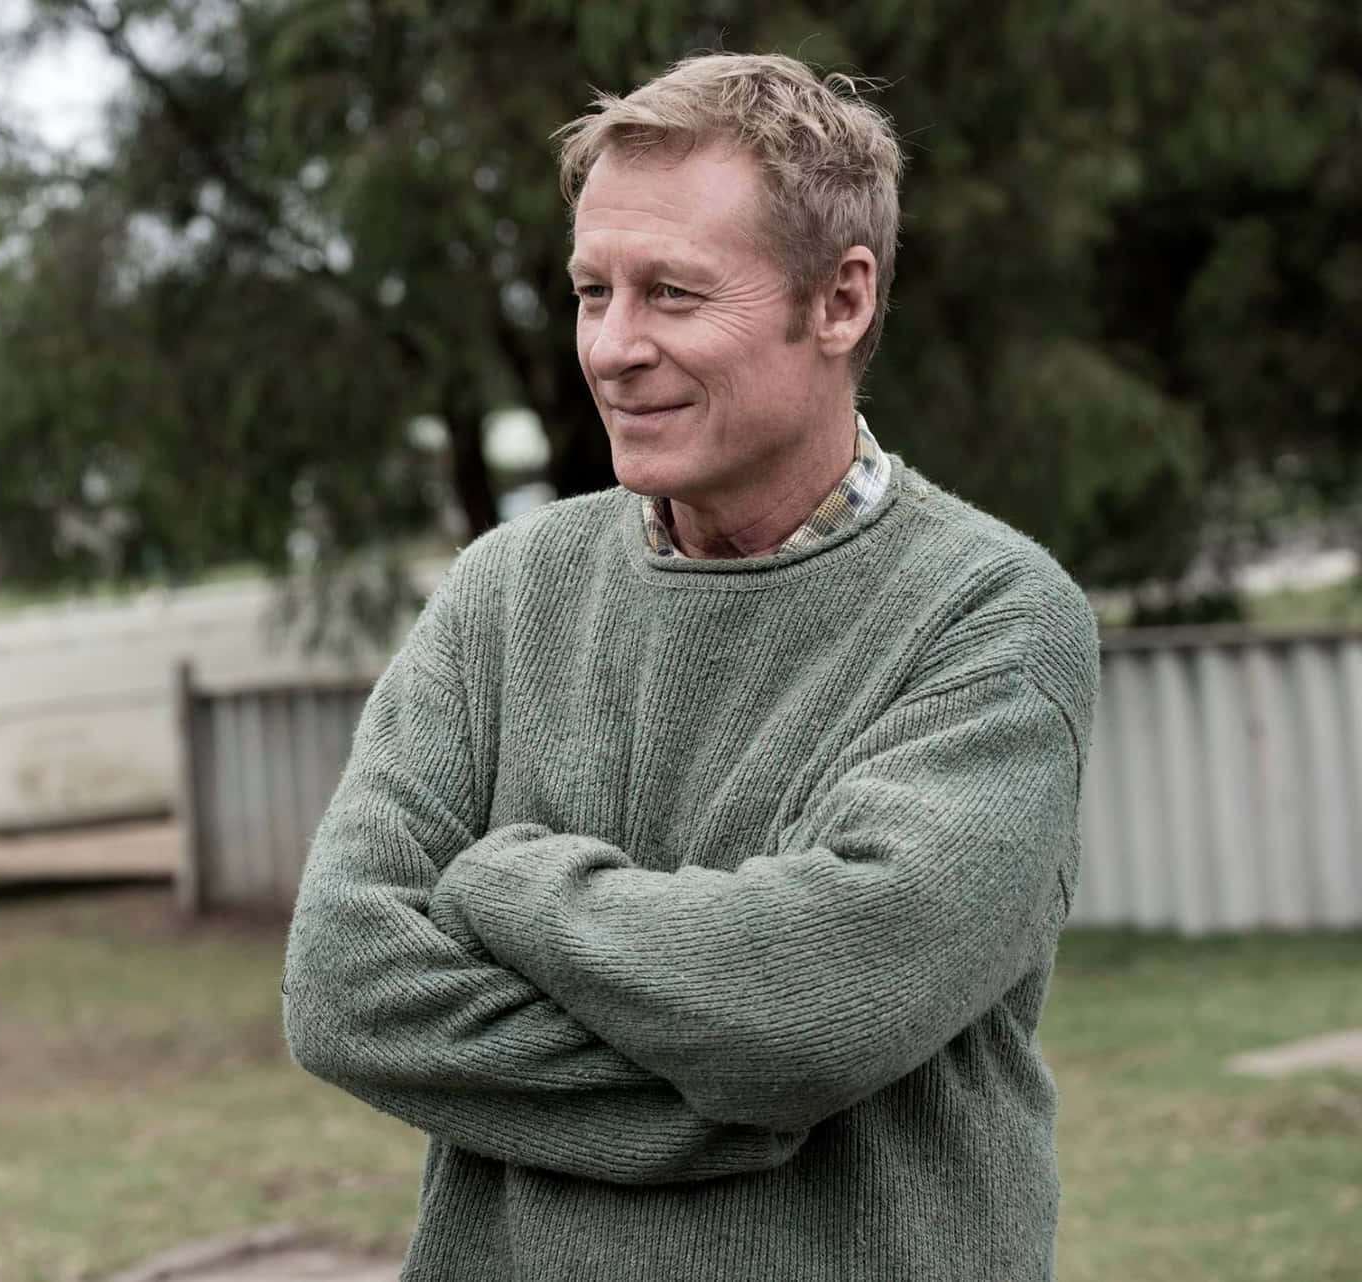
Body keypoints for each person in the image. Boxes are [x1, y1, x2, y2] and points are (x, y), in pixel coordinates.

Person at [282, 51, 1100, 1281]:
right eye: (590, 290)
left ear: (840, 301)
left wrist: (509, 885)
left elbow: (817, 1009)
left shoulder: (989, 617)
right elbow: (346, 985)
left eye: (671, 293)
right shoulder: (506, 593)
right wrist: (730, 1091)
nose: (612, 348)